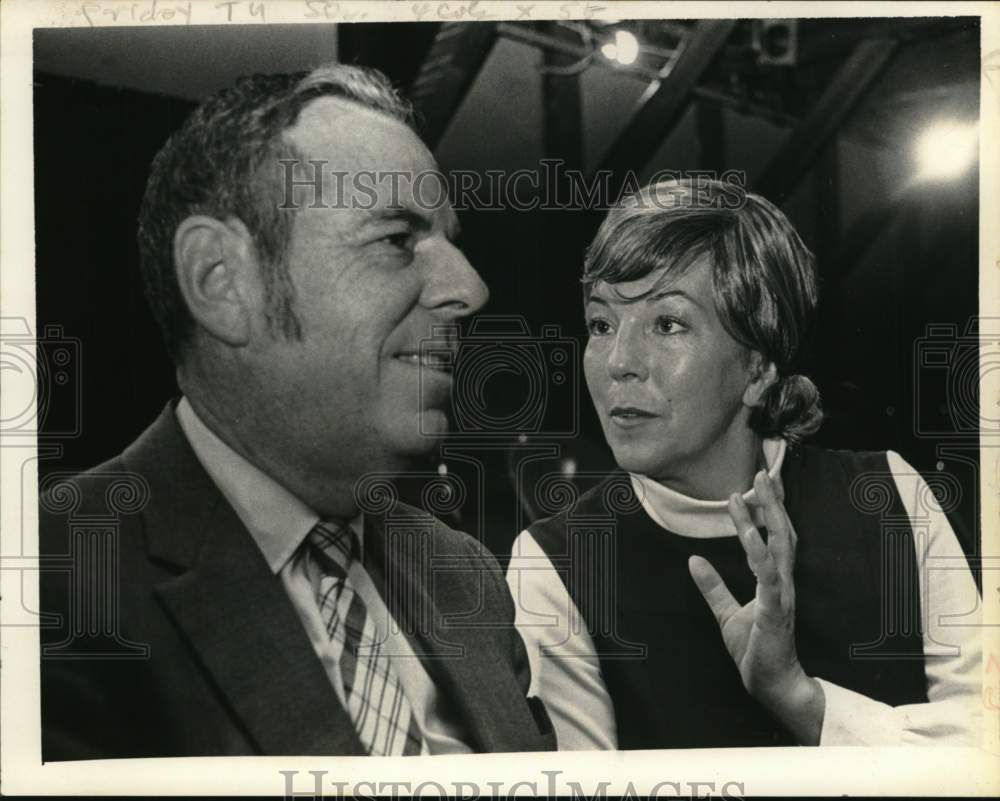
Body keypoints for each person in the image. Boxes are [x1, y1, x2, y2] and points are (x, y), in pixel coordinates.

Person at [39, 64, 555, 759]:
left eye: (450, 242)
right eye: (396, 239)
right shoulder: (51, 583)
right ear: (222, 282)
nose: (470, 286)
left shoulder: (463, 572)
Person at [507, 179, 981, 749]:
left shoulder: (891, 494)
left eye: (668, 324)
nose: (619, 362)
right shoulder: (554, 562)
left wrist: (800, 700)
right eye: (602, 324)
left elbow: (988, 753)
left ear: (757, 370)